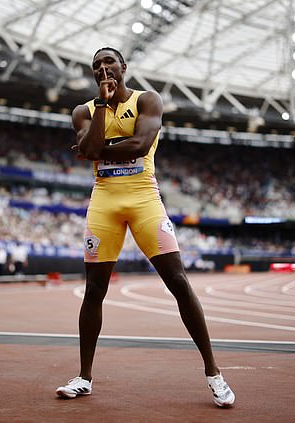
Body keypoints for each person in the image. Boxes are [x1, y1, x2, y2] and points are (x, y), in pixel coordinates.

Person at [56, 47, 235, 408]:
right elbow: (91, 151)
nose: (103, 69)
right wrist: (103, 114)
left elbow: (139, 145)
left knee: (179, 282)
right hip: (104, 203)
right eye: (96, 66)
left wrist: (97, 146)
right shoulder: (84, 111)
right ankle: (84, 377)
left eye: (109, 62)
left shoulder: (147, 100)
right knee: (94, 290)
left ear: (123, 67)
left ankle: (214, 373)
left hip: (144, 200)